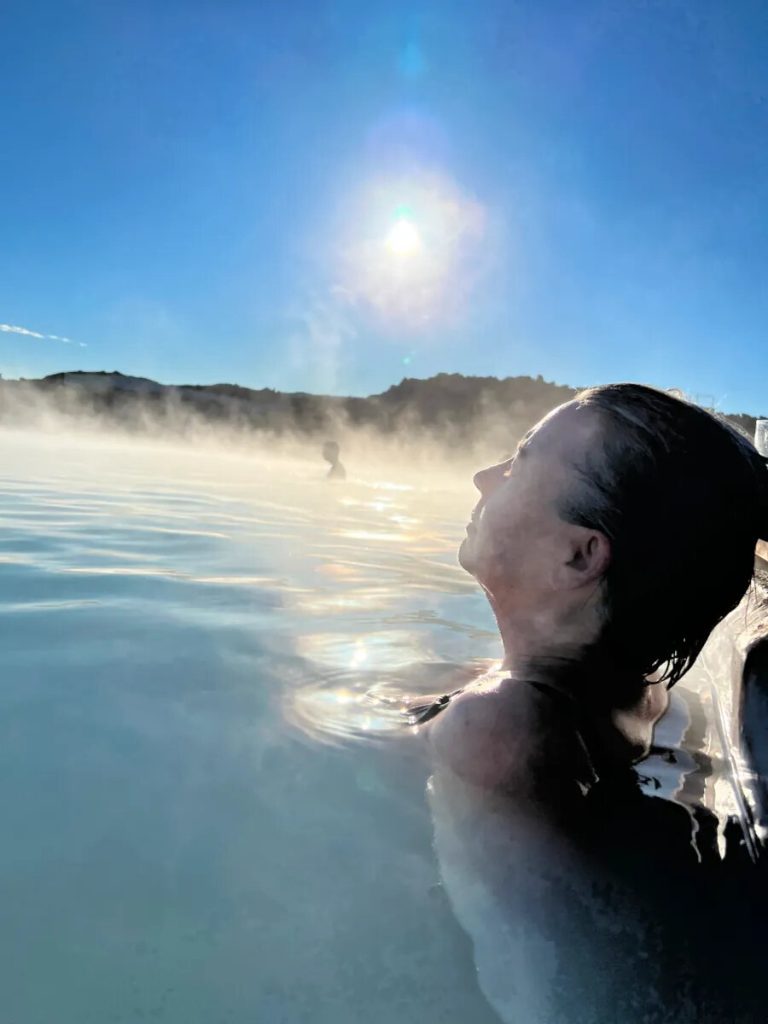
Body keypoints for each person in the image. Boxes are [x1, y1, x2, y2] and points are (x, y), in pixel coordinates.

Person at [414, 383, 768, 1023]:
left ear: (579, 556)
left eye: (519, 462)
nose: (482, 476)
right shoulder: (646, 697)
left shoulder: (494, 729)